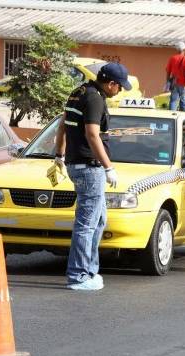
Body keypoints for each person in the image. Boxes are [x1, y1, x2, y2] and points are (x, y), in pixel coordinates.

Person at [54, 62, 131, 291]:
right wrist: (108, 167)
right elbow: (92, 134)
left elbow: (62, 126)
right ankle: (78, 276)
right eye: (120, 87)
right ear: (111, 84)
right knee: (87, 224)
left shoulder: (78, 93)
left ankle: (89, 270)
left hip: (77, 164)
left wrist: (59, 154)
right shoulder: (96, 99)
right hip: (90, 167)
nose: (119, 91)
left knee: (98, 220)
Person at [165, 41, 185, 111]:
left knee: (173, 100)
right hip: (183, 84)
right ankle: (183, 116)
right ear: (184, 50)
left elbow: (168, 72)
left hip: (174, 83)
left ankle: (172, 116)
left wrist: (167, 82)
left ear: (177, 50)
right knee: (183, 101)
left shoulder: (172, 58)